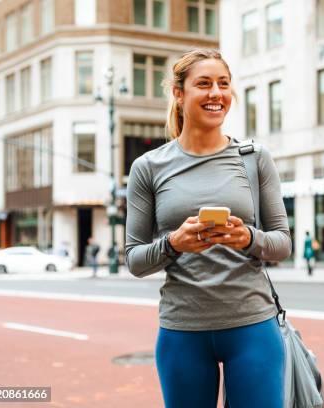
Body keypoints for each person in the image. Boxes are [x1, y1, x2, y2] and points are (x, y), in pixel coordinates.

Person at [125, 49, 291, 408]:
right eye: (204, 84)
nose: (216, 93)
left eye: (223, 84)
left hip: (252, 327)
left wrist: (248, 238)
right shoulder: (148, 167)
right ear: (179, 93)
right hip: (182, 331)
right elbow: (135, 260)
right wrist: (173, 244)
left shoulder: (254, 158)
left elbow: (282, 244)